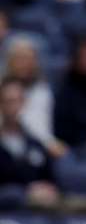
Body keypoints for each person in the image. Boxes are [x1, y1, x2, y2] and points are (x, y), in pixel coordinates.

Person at [0, 78, 59, 211]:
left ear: (24, 103)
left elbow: (52, 181)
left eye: (17, 101)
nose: (13, 107)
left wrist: (49, 190)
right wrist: (26, 192)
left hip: (36, 215)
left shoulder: (36, 144)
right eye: (8, 101)